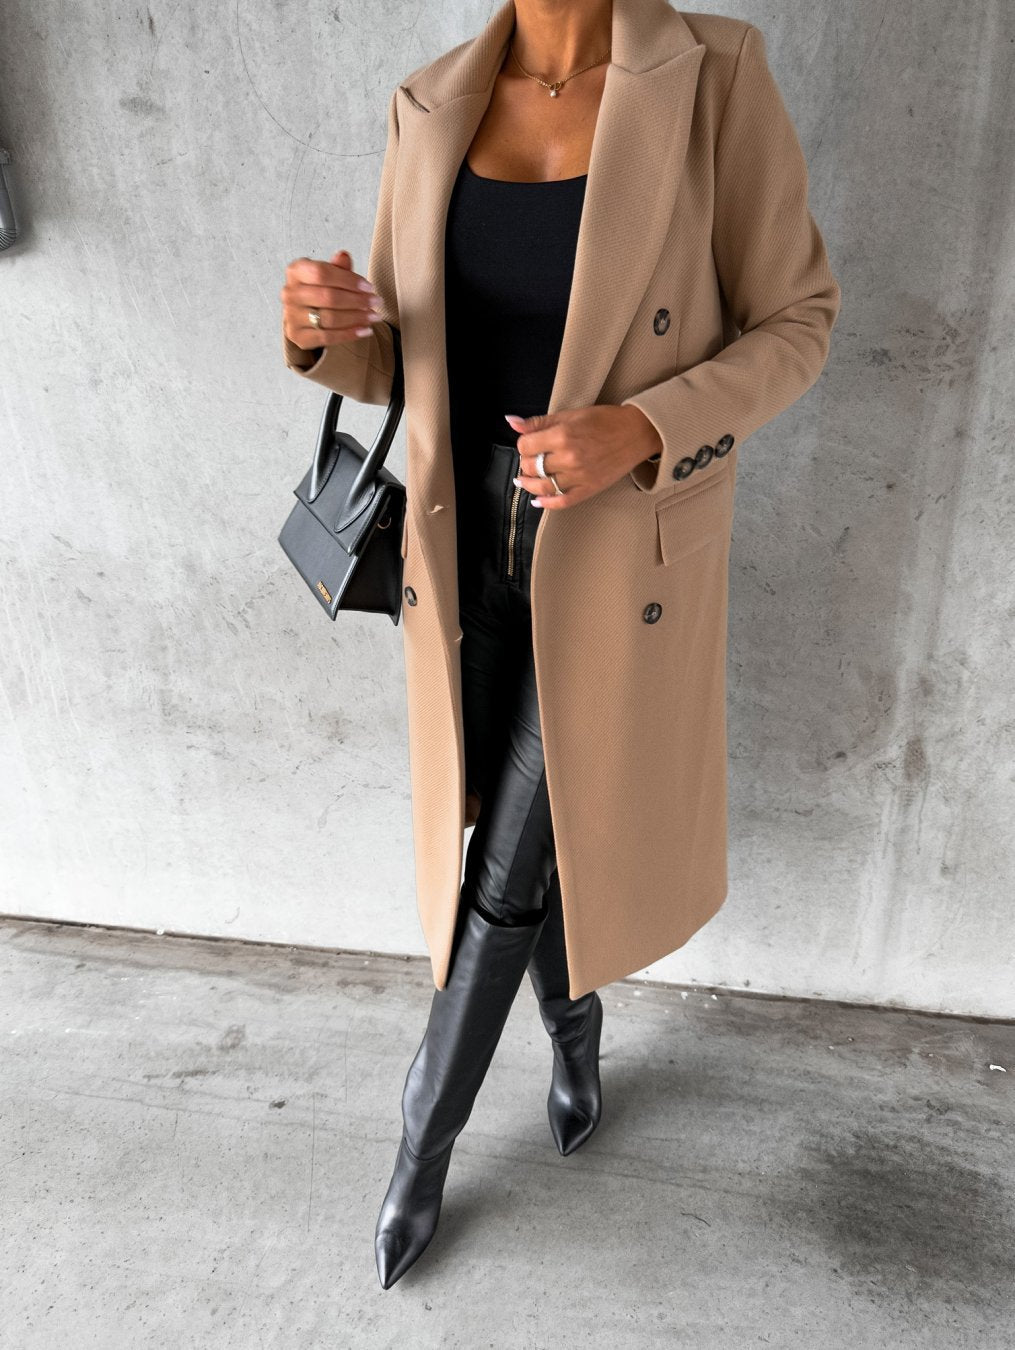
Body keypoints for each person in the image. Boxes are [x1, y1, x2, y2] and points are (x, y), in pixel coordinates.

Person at [280, 0, 841, 1290]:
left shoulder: (712, 74)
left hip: (616, 546)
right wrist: (320, 331)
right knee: (513, 825)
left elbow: (799, 319)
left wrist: (642, 427)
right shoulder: (430, 99)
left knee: (505, 863)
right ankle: (574, 1030)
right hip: (458, 543)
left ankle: (419, 1149)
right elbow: (403, 364)